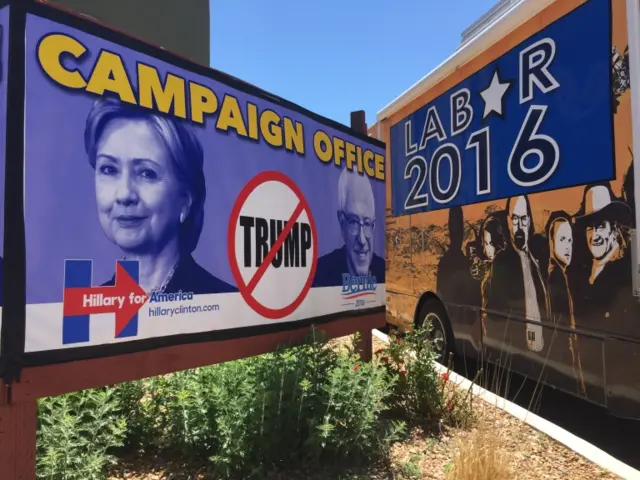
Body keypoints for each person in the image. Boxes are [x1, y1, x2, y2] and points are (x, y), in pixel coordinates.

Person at [84, 97, 236, 295]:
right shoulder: (88, 313)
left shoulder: (225, 302)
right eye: (109, 169)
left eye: (147, 173)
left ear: (185, 200)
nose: (124, 194)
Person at [483, 195, 550, 352]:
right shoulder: (502, 261)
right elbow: (494, 314)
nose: (519, 226)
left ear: (529, 221)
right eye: (515, 219)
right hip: (517, 347)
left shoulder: (535, 259)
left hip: (541, 346)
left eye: (523, 219)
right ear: (508, 221)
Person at [573, 183, 633, 334]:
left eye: (600, 226)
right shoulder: (583, 267)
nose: (594, 235)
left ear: (614, 228)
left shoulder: (625, 268)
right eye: (589, 227)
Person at [313, 168, 384, 287]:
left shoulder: (384, 271)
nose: (362, 240)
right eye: (354, 222)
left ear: (374, 226)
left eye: (367, 224)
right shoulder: (320, 275)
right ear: (341, 223)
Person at [545, 211, 585, 396]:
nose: (568, 246)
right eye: (562, 240)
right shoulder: (557, 277)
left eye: (570, 240)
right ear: (551, 242)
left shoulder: (561, 273)